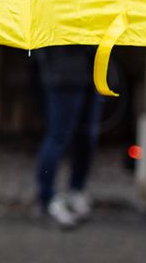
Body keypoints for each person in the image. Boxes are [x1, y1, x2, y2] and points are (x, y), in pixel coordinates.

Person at [34, 45, 101, 229]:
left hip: (93, 67)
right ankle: (46, 198)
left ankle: (76, 190)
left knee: (87, 136)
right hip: (63, 69)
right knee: (58, 137)